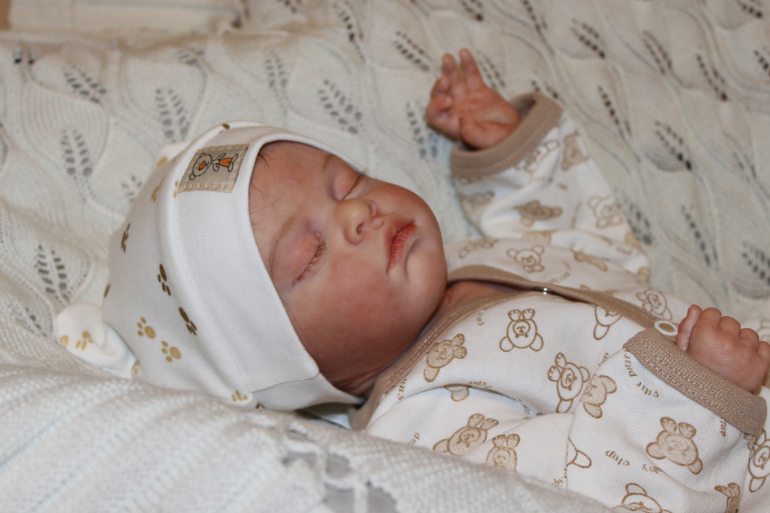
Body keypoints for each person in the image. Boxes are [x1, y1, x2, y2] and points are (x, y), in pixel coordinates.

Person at [54, 49, 770, 512]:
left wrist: (509, 154)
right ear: (287, 362)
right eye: (309, 256)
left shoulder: (475, 262)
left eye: (348, 182)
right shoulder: (420, 423)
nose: (357, 213)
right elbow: (581, 490)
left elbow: (591, 250)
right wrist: (694, 391)